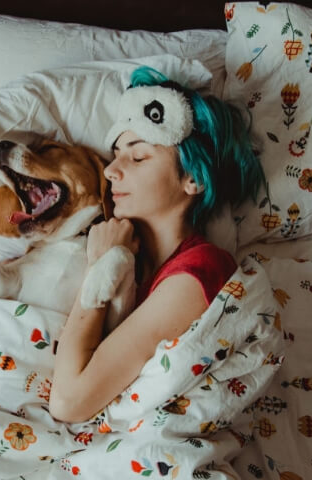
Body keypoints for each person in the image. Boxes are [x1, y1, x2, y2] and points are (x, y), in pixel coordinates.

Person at [48, 66, 264, 423]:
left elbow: (69, 402)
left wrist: (99, 266)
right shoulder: (142, 267)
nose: (110, 170)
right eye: (115, 154)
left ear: (192, 178)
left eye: (138, 157)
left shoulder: (200, 270)